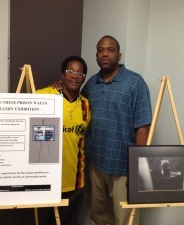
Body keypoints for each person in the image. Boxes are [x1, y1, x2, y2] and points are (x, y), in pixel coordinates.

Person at [82, 35, 152, 225]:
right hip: (96, 165)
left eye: (110, 50)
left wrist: (136, 168)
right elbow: (75, 107)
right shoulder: (91, 84)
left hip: (123, 169)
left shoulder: (135, 83)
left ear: (119, 55)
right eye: (100, 49)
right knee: (99, 218)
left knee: (125, 220)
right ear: (96, 54)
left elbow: (143, 127)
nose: (105, 53)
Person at [37, 55, 91, 225]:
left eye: (79, 73)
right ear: (62, 75)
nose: (74, 75)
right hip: (46, 182)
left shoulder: (86, 105)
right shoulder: (44, 96)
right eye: (70, 71)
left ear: (83, 78)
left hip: (76, 183)